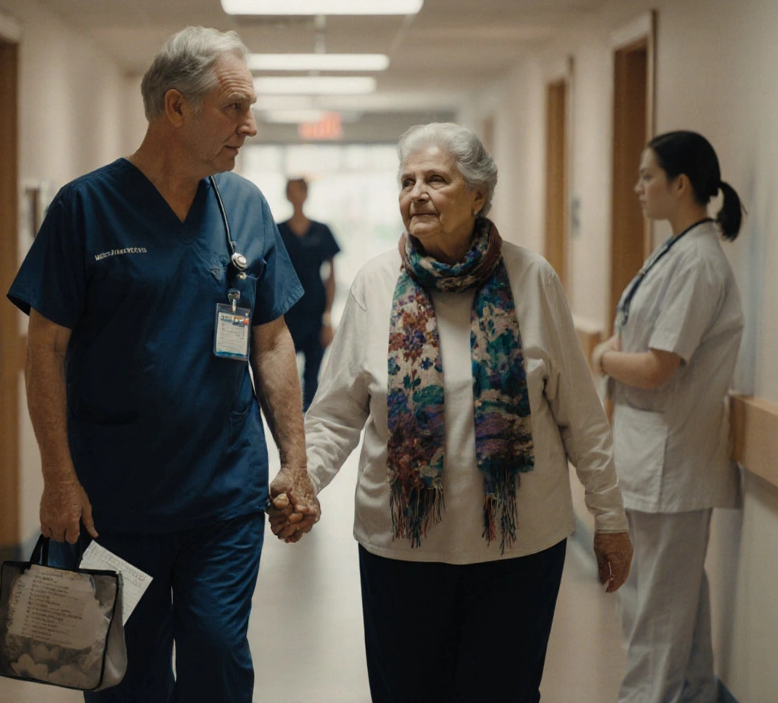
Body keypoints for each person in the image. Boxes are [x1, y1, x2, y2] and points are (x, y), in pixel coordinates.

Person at [269, 122, 633, 703]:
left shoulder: (532, 279)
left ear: (479, 194)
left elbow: (581, 418)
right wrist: (300, 480)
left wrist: (609, 518)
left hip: (519, 549)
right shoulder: (375, 284)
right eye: (407, 181)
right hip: (401, 549)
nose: (417, 193)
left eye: (436, 179)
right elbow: (336, 414)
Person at [8, 26, 320, 702]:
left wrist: (294, 463)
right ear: (176, 107)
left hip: (225, 496)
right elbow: (45, 347)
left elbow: (270, 341)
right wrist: (58, 478)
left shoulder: (245, 206)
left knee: (217, 652)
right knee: (124, 677)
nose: (249, 126)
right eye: (234, 108)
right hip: (114, 502)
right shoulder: (85, 208)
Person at [590, 130, 744, 703]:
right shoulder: (675, 252)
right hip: (651, 457)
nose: (638, 187)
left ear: (680, 185)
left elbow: (658, 367)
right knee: (678, 606)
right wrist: (612, 353)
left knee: (653, 615)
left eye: (646, 176)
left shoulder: (698, 263)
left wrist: (601, 358)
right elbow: (639, 335)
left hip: (670, 463)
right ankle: (696, 694)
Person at [276, 177, 341, 410]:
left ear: (306, 194)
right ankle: (288, 422)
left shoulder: (322, 231)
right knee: (283, 375)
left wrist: (327, 318)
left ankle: (309, 426)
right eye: (291, 191)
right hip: (287, 313)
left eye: (299, 191)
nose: (296, 196)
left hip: (314, 312)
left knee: (312, 377)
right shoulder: (278, 232)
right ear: (286, 195)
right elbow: (271, 275)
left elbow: (331, 277)